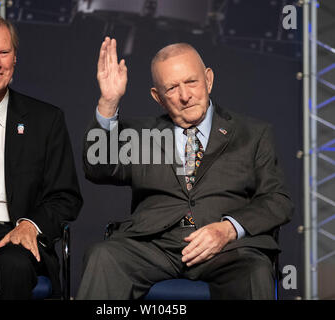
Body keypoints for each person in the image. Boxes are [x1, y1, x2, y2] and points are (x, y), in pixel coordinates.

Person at [77, 37, 293, 300]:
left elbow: (277, 200)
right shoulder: (141, 134)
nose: (185, 96)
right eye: (171, 88)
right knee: (103, 256)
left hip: (227, 249)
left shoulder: (253, 134)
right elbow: (97, 167)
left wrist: (228, 229)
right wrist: (109, 103)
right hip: (153, 246)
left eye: (191, 82)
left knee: (255, 271)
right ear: (158, 97)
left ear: (209, 79)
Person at [0, 13, 83, 299]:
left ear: (15, 58)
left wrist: (31, 225)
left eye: (4, 52)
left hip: (12, 238)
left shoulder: (46, 120)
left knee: (13, 266)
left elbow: (65, 197)